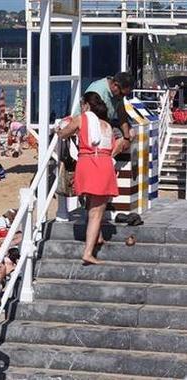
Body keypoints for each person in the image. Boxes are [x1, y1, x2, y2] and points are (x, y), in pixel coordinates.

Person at [58, 92, 119, 265]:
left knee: (92, 203)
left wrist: (59, 129)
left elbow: (63, 134)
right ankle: (88, 252)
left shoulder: (81, 119)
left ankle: (97, 237)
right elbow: (113, 147)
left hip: (86, 162)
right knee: (97, 212)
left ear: (85, 105)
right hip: (102, 164)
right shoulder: (107, 125)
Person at [78, 72, 133, 156]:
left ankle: (108, 158)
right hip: (90, 124)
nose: (122, 97)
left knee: (131, 133)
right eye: (122, 94)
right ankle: (105, 159)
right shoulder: (98, 92)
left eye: (125, 95)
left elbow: (122, 114)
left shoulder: (118, 94)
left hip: (106, 122)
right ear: (115, 85)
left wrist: (126, 137)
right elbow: (87, 117)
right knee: (113, 136)